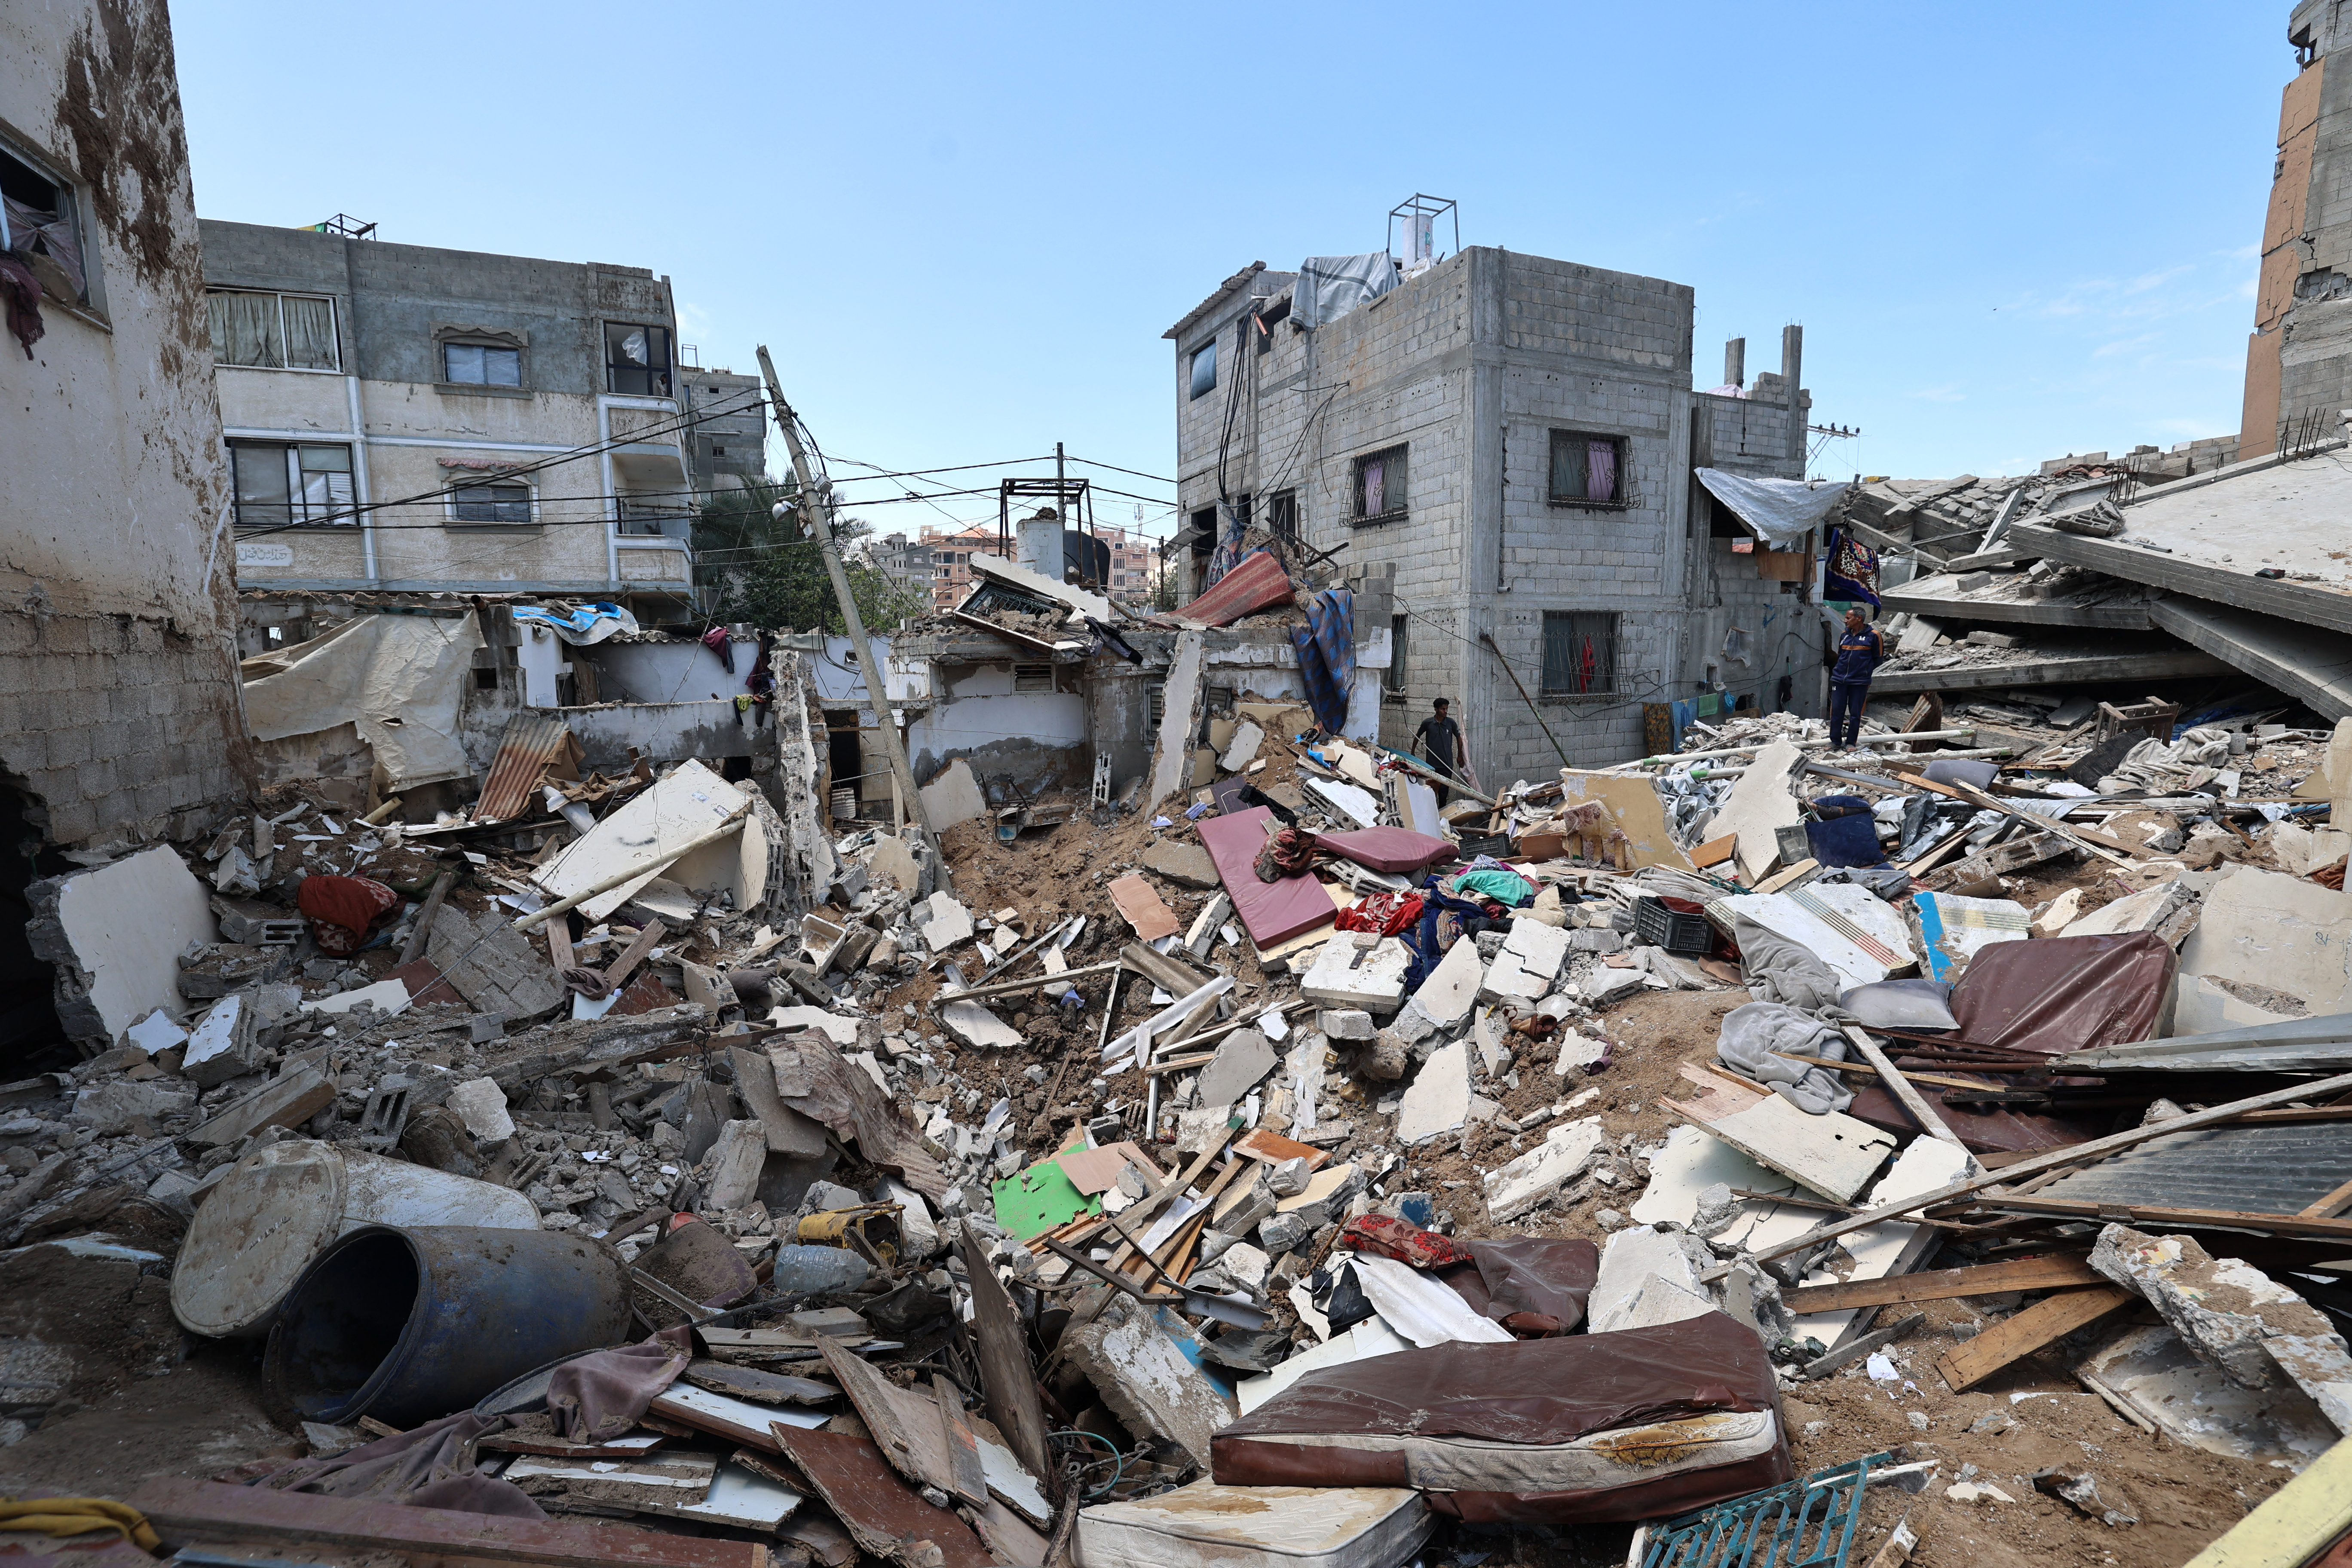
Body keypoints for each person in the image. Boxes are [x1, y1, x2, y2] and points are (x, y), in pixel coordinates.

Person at [1828, 607, 1886, 750]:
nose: (1845, 621)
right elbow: (1841, 655)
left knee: (1855, 714)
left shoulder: (1874, 635)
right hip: (1839, 680)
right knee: (1837, 711)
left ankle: (1851, 743)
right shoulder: (1844, 635)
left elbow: (1878, 659)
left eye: (1848, 618)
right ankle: (1835, 741)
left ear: (1859, 618)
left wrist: (1864, 673)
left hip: (1860, 682)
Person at [1413, 697, 1466, 807]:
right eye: (1443, 709)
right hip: (1432, 766)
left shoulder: (1451, 723)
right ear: (1436, 709)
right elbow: (1417, 736)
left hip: (1447, 765)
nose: (1446, 711)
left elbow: (1459, 738)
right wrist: (1413, 752)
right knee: (1431, 792)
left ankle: (1442, 816)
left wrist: (1460, 756)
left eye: (1447, 709)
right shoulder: (1428, 723)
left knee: (1444, 793)